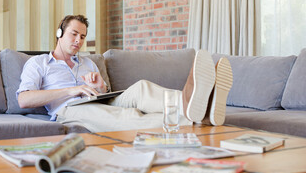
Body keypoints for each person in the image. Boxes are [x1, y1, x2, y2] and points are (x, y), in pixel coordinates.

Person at [17, 15, 233, 132]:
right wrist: (71, 90)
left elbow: (105, 93)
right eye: (74, 34)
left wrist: (101, 87)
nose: (78, 41)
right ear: (59, 34)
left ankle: (195, 102)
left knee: (141, 89)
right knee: (129, 117)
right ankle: (200, 118)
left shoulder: (88, 63)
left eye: (82, 36)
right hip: (69, 110)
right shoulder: (39, 63)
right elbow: (24, 100)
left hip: (101, 101)